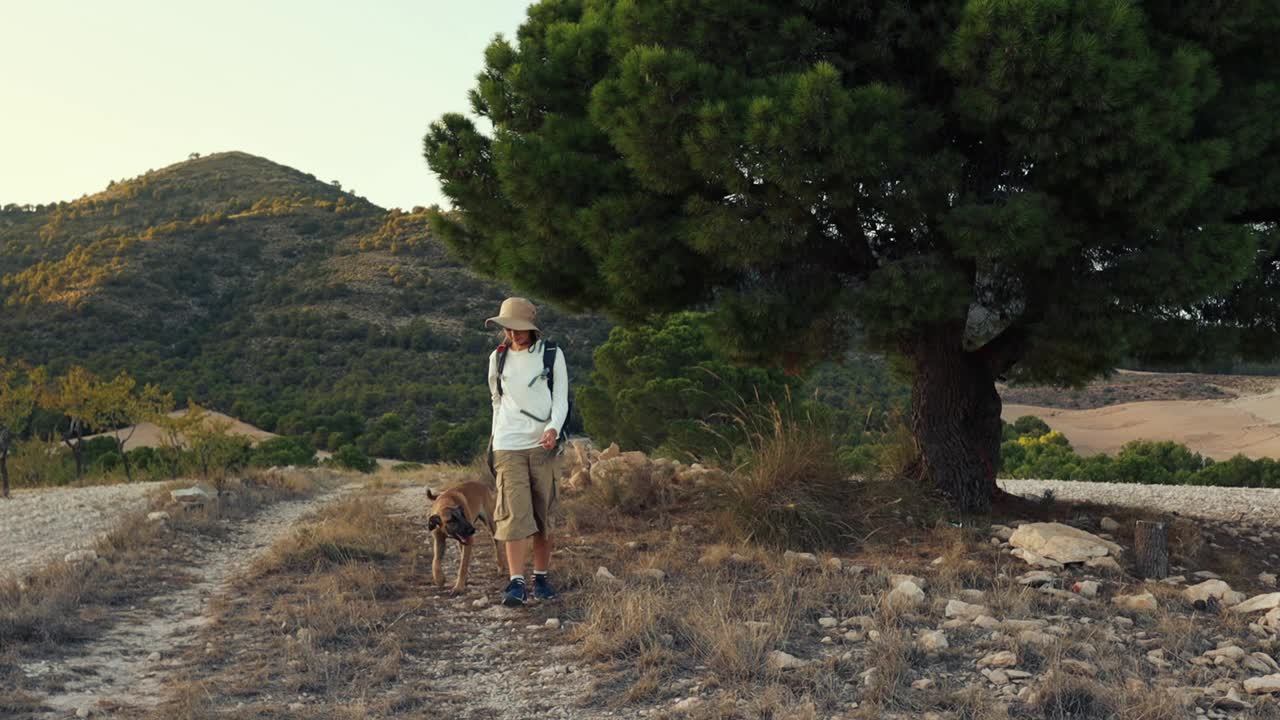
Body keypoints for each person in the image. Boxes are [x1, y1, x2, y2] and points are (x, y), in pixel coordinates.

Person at [485, 297, 568, 606]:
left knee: (542, 514)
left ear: (532, 329)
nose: (513, 334)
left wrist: (553, 429)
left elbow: (561, 399)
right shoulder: (498, 357)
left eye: (519, 329)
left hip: (542, 446)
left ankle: (542, 578)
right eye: (508, 328)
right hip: (507, 445)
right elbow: (496, 400)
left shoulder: (550, 354)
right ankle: (516, 583)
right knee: (512, 514)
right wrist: (495, 441)